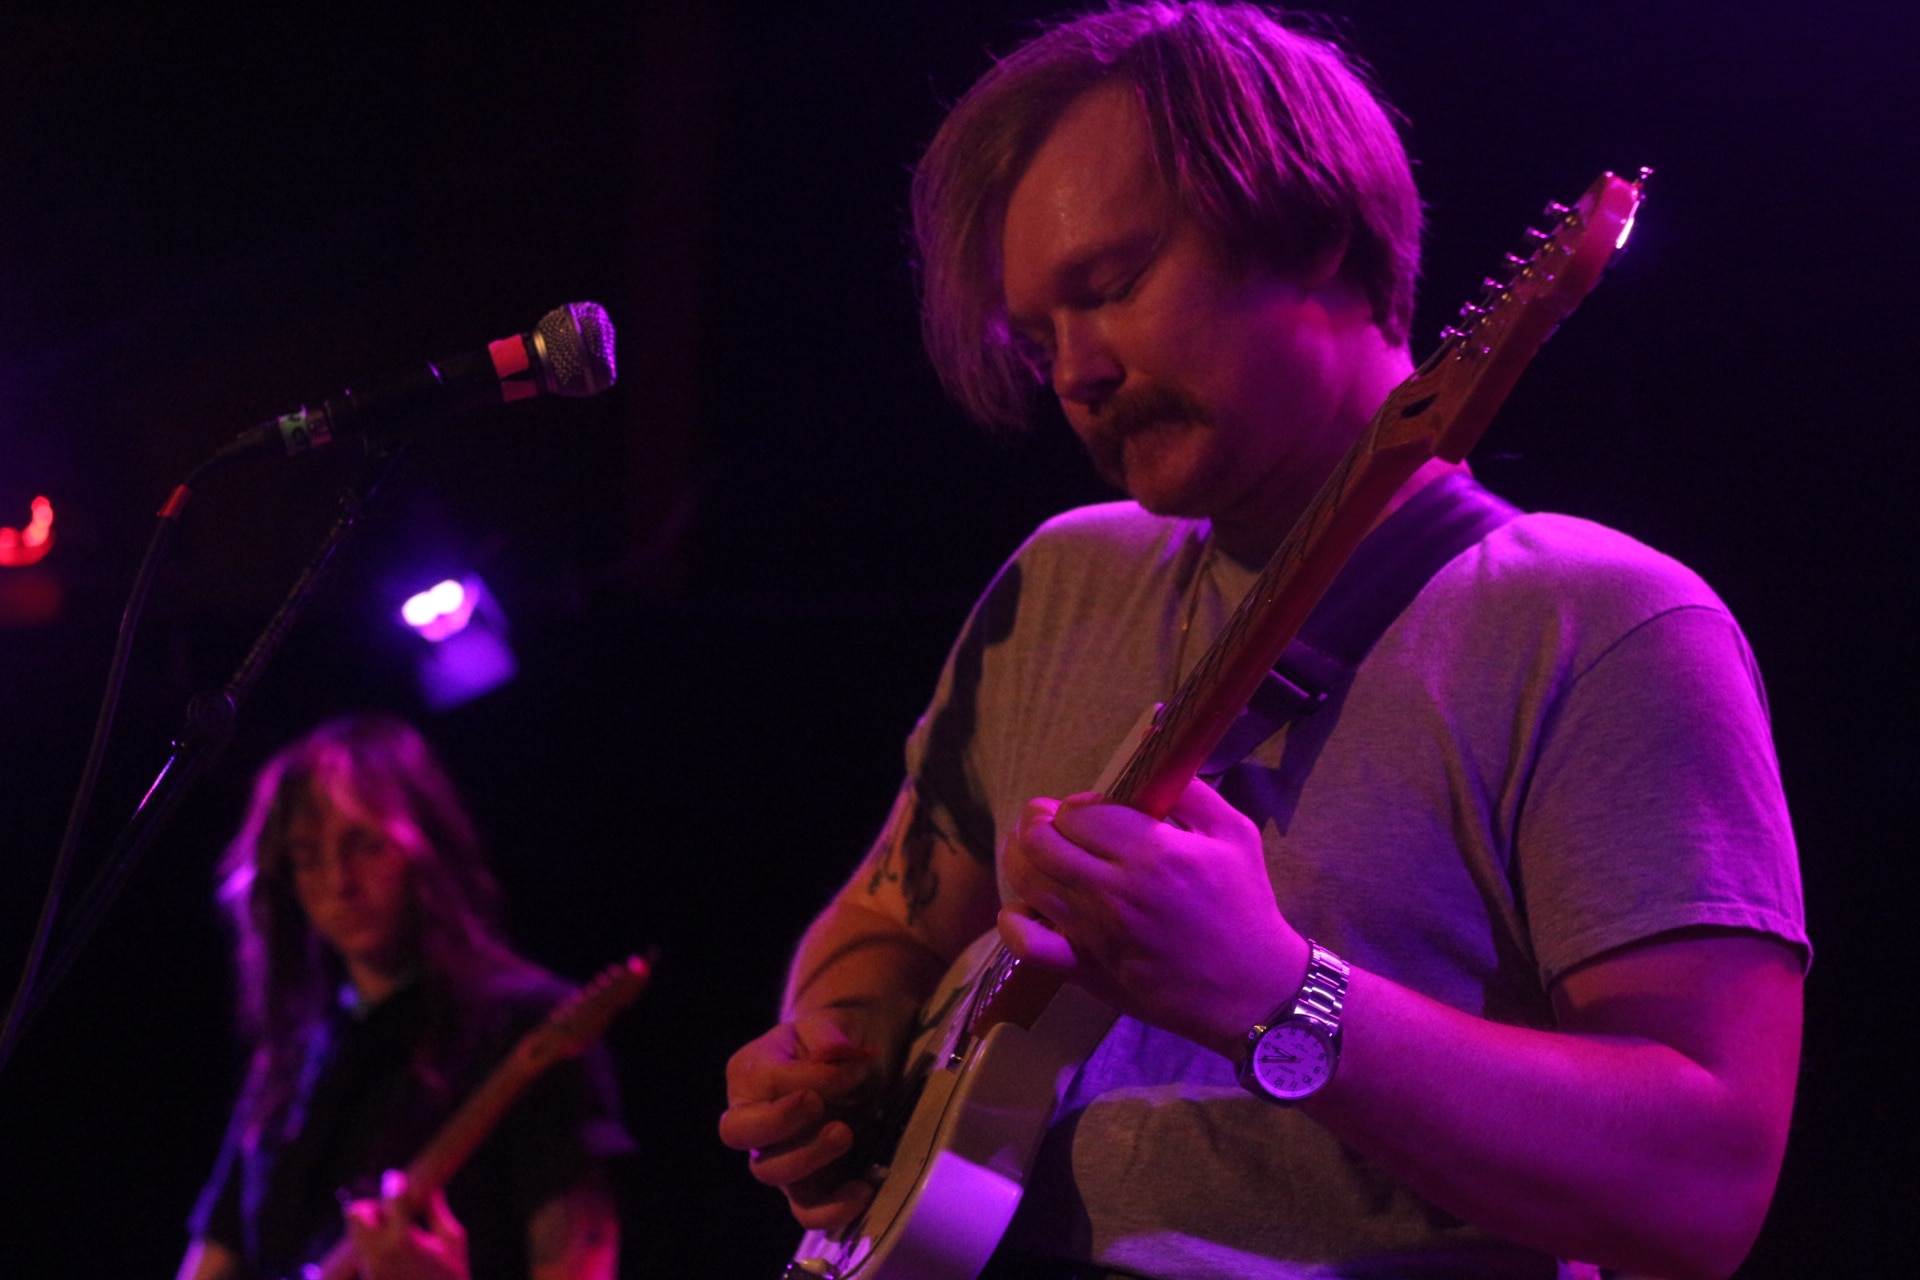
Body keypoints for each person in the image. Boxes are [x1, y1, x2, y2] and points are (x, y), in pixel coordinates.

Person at [719, 4, 1807, 1279]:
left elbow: (1703, 1187)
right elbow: (885, 924)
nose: (1073, 373)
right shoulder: (1064, 577)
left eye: (1113, 287)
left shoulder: (1599, 622)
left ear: (1318, 234)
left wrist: (1277, 993)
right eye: (1036, 337)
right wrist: (832, 1053)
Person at [178, 714, 630, 1280]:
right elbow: (213, 1256)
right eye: (307, 858)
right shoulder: (293, 1054)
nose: (338, 883)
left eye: (363, 844)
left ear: (422, 844)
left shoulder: (527, 1024)